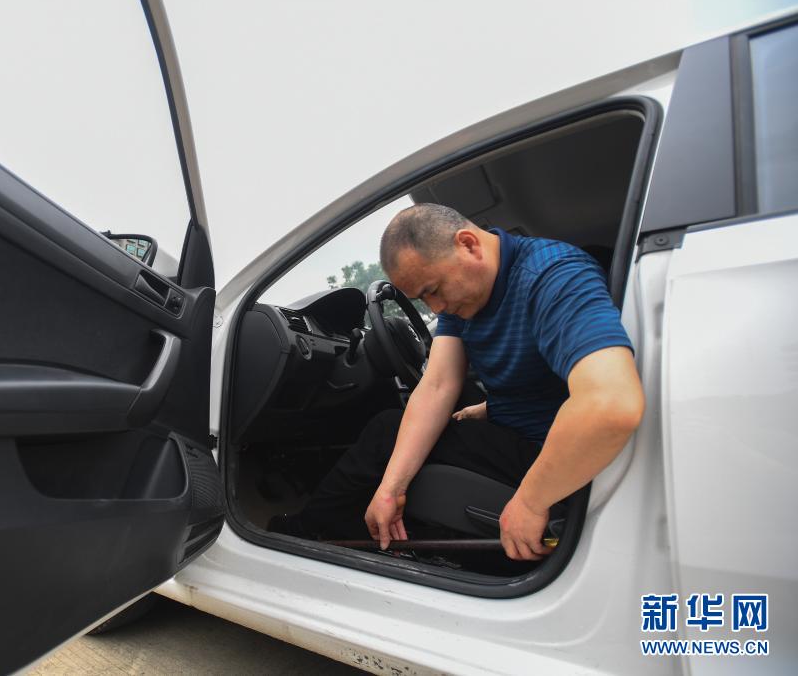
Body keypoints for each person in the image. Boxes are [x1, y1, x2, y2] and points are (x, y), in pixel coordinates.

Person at [270, 203, 644, 561]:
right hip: (517, 427)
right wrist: (391, 490)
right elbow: (437, 385)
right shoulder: (467, 296)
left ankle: (308, 532)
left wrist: (531, 502)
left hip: (551, 452)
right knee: (410, 430)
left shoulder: (553, 276)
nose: (436, 308)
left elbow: (611, 403)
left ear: (468, 244)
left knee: (385, 431)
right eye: (423, 299)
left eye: (433, 290)